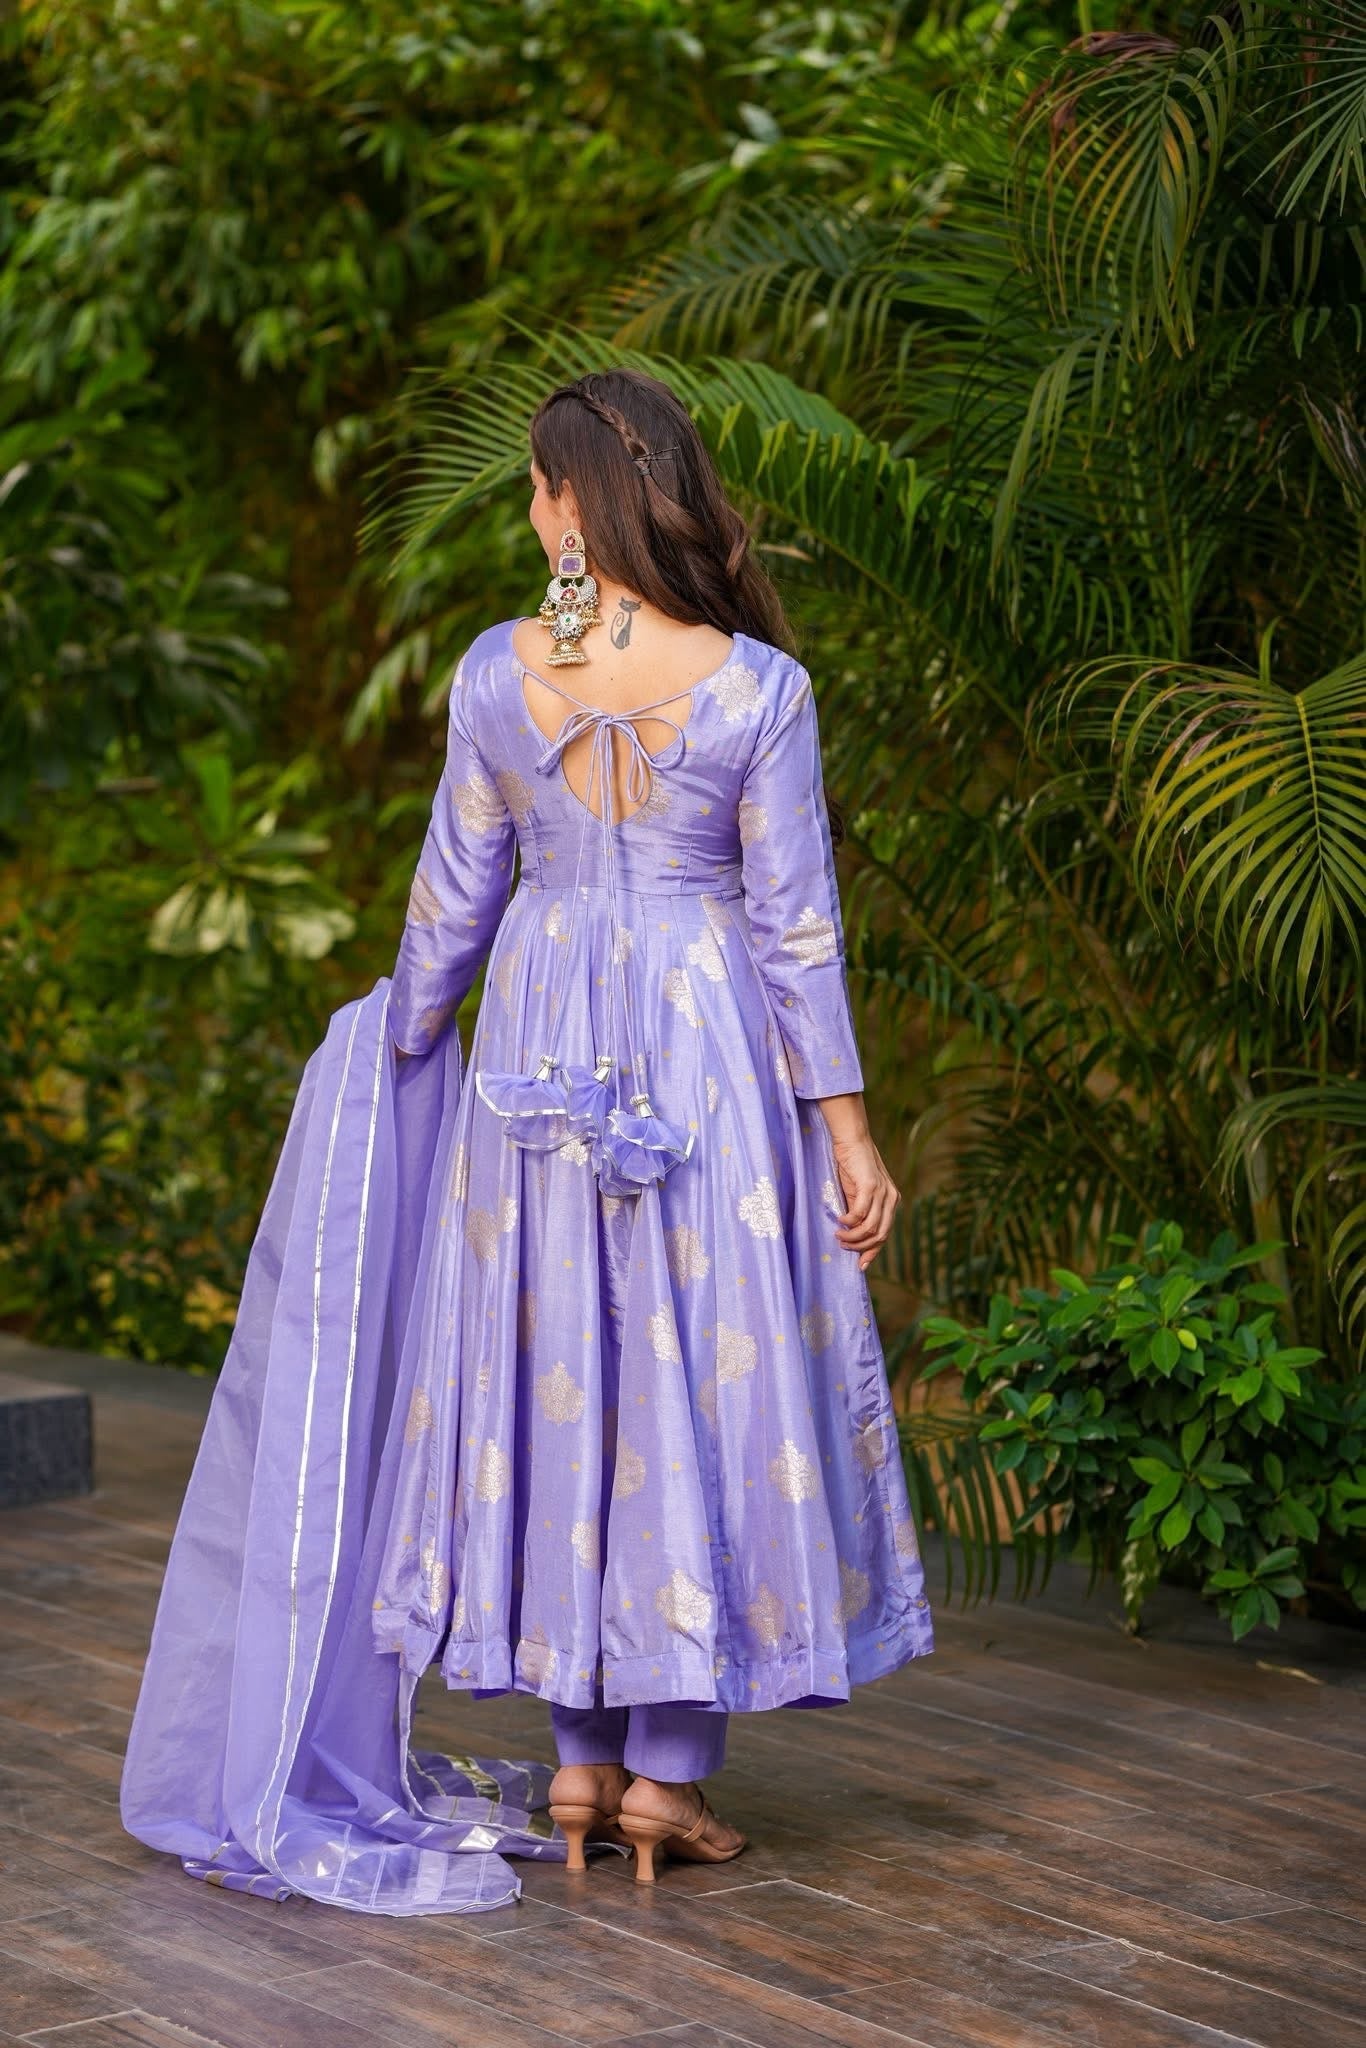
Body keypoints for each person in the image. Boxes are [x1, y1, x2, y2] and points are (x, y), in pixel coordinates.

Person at [119, 367, 933, 1915]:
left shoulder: (502, 674)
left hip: (533, 1054)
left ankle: (575, 1767)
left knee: (554, 1377)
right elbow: (795, 928)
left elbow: (453, 895)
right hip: (706, 1049)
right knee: (692, 1383)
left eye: (533, 490)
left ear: (569, 502)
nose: (528, 514)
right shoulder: (758, 688)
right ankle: (664, 1778)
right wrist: (846, 1128)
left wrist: (402, 1043)